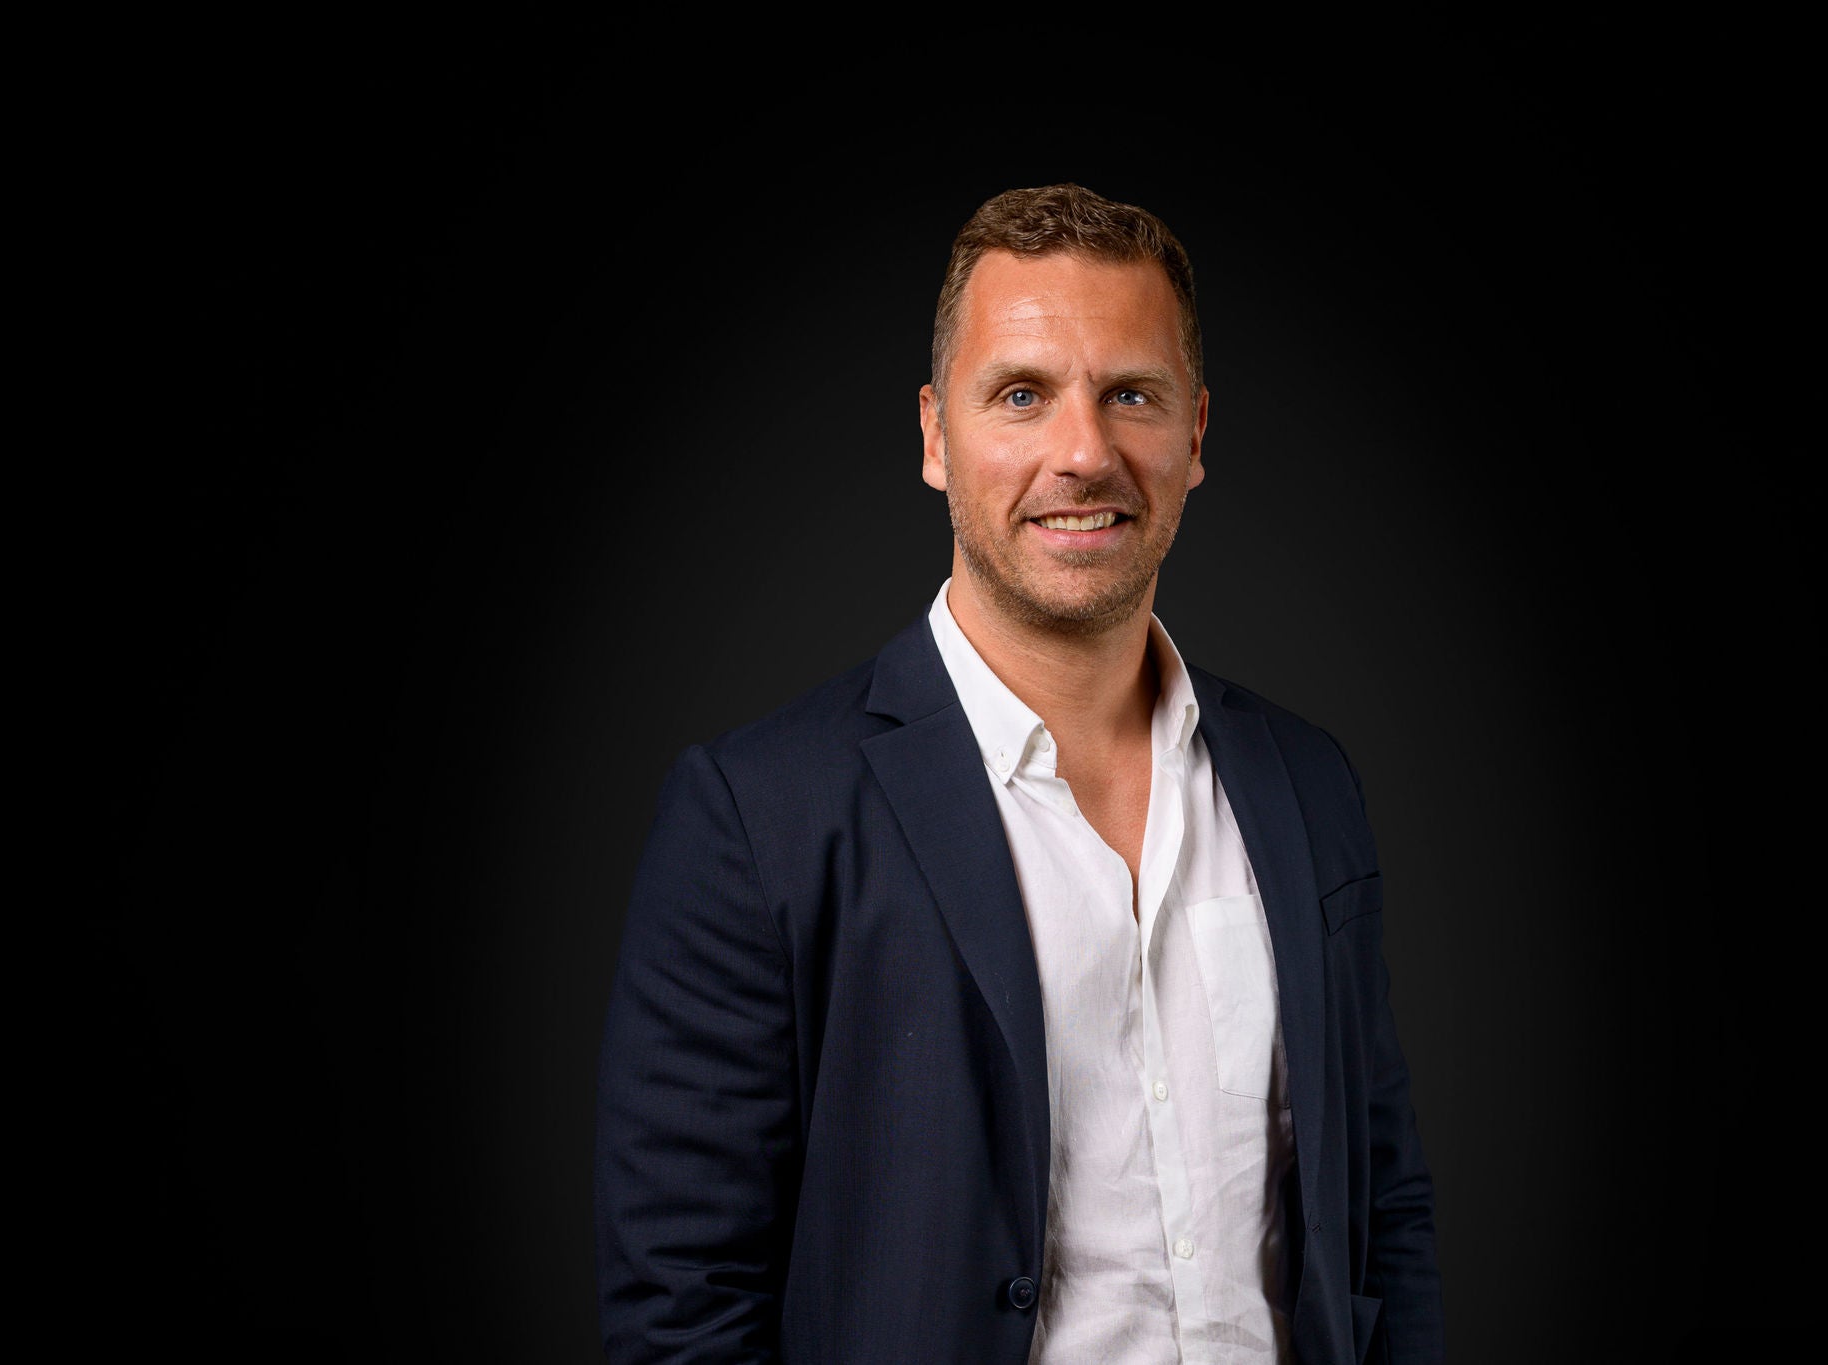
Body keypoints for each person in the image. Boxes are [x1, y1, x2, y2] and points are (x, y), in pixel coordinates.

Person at [594, 183, 1442, 1364]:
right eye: (1022, 395)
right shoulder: (755, 817)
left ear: (1194, 434)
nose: (1082, 453)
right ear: (936, 436)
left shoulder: (1305, 782)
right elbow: (683, 1303)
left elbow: (1378, 1211)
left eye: (1129, 394)